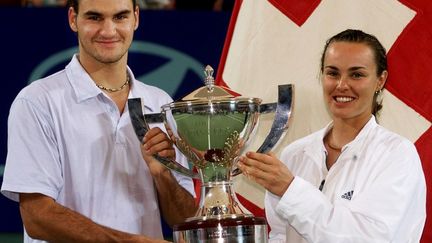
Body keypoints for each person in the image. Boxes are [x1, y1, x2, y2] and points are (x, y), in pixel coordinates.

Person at [0, 0, 197, 242]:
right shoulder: (37, 102)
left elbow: (186, 221)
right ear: (73, 19)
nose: (108, 31)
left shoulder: (160, 103)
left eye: (120, 17)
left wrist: (163, 176)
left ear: (136, 18)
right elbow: (37, 217)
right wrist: (128, 241)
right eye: (94, 18)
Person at [238, 29, 426, 242]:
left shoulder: (396, 155)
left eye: (357, 74)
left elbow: (370, 238)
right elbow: (281, 236)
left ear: (380, 80)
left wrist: (291, 190)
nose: (342, 85)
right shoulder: (294, 154)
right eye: (333, 73)